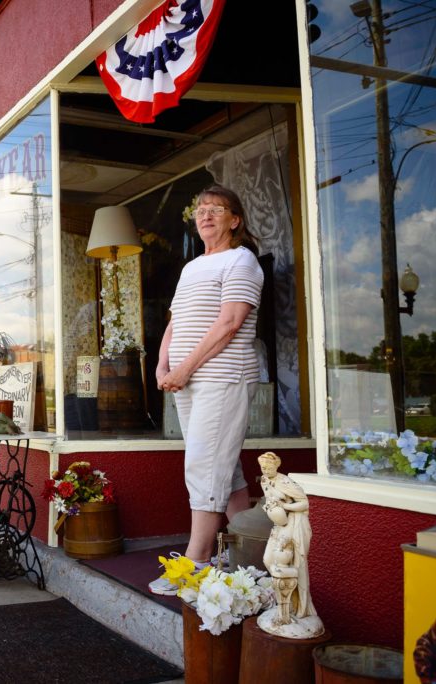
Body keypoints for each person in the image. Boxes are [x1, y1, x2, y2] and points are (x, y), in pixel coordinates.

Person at [149, 185, 264, 595]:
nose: (206, 215)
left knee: (204, 465)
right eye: (200, 209)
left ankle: (196, 562)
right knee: (225, 469)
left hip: (222, 378)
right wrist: (164, 364)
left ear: (235, 220)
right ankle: (250, 553)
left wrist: (183, 367)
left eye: (217, 209)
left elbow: (230, 324)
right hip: (189, 381)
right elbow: (175, 323)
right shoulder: (192, 267)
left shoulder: (242, 261)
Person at [259, 451, 317, 624]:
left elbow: (305, 503)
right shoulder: (264, 480)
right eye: (263, 467)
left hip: (295, 524)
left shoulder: (284, 482)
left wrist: (285, 505)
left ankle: (298, 607)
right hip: (279, 524)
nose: (266, 470)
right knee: (269, 560)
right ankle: (287, 600)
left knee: (294, 565)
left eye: (269, 467)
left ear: (276, 466)